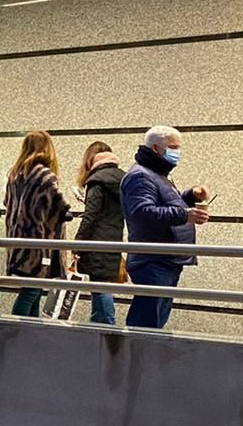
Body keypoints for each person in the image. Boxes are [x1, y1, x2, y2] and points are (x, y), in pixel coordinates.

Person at [121, 127, 210, 329]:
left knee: (155, 318)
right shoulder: (141, 176)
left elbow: (165, 203)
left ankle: (145, 357)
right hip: (153, 259)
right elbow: (143, 212)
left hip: (164, 258)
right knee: (147, 322)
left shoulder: (156, 173)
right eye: (173, 147)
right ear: (155, 148)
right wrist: (185, 215)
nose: (177, 152)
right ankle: (138, 358)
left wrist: (189, 196)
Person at [3, 131, 70, 317]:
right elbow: (61, 208)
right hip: (39, 243)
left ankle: (29, 331)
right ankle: (16, 332)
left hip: (19, 242)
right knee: (31, 292)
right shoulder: (45, 175)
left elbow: (6, 203)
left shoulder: (15, 174)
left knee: (34, 291)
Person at [73, 142, 125, 325]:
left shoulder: (96, 181)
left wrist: (77, 243)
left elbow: (91, 216)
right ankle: (102, 324)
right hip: (114, 239)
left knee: (100, 287)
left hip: (96, 241)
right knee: (104, 285)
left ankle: (105, 327)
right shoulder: (123, 178)